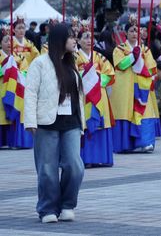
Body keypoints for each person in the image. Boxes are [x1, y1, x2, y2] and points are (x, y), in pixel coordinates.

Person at [24, 24, 85, 223]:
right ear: (59, 39)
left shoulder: (71, 63)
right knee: (47, 168)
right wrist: (30, 121)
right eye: (71, 37)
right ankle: (47, 208)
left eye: (75, 37)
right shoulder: (40, 63)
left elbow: (78, 96)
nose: (74, 40)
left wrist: (81, 121)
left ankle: (68, 204)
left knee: (75, 166)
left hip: (72, 122)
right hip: (46, 122)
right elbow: (30, 93)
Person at [110, 15, 161, 153]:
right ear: (126, 33)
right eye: (132, 31)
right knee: (126, 111)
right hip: (125, 87)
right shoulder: (119, 49)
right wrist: (133, 56)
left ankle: (145, 142)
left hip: (142, 86)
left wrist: (149, 75)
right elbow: (120, 65)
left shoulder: (145, 50)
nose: (134, 34)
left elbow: (152, 68)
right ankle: (126, 144)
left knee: (144, 111)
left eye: (137, 31)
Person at [75, 24, 115, 167]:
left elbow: (110, 74)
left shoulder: (99, 56)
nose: (89, 40)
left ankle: (100, 157)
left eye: (91, 37)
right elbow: (71, 74)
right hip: (83, 96)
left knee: (100, 125)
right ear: (78, 41)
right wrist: (85, 76)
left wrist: (96, 79)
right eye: (85, 37)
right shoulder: (75, 57)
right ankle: (85, 158)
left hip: (99, 94)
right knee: (84, 124)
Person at [10, 15, 39, 148]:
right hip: (14, 78)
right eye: (19, 28)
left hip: (27, 77)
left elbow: (37, 57)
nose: (21, 30)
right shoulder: (11, 43)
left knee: (27, 107)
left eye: (23, 28)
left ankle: (27, 139)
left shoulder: (29, 44)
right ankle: (15, 140)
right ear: (13, 30)